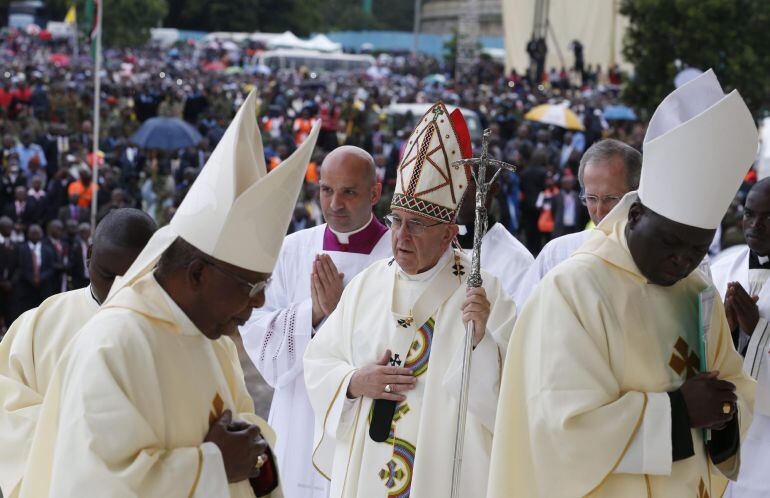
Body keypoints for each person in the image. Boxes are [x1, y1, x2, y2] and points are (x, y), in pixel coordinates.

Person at [18, 91, 319, 497]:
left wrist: (255, 455)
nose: (260, 303)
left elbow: (248, 439)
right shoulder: (112, 346)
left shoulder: (212, 342)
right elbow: (93, 484)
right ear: (197, 273)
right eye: (251, 288)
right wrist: (214, 465)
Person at [488, 69, 757, 497]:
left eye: (696, 249)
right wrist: (678, 412)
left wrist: (725, 409)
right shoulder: (573, 290)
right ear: (634, 216)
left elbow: (737, 385)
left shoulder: (696, 290)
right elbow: (561, 427)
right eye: (671, 242)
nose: (681, 260)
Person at [304, 102, 517, 497]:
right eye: (396, 221)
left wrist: (481, 340)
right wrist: (353, 382)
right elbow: (319, 361)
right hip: (369, 463)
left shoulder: (482, 291)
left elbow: (512, 395)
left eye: (417, 225)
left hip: (442, 474)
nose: (400, 237)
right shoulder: (368, 285)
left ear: (449, 231)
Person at [240, 145, 391, 498]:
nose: (335, 204)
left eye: (349, 192)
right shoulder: (292, 250)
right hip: (299, 414)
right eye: (326, 190)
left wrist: (342, 314)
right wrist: (313, 313)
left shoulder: (396, 257)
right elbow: (255, 329)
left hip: (362, 419)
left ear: (375, 192)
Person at [0, 208, 157, 498]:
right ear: (90, 254)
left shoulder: (181, 331)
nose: (118, 291)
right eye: (109, 275)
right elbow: (8, 409)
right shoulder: (39, 324)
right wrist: (87, 446)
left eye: (136, 277)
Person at [515, 139, 641, 303]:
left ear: (636, 195)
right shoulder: (556, 254)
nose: (599, 210)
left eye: (611, 199)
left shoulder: (659, 260)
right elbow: (523, 316)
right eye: (591, 198)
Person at [711, 178, 770, 497]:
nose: (755, 225)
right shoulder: (722, 269)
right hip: (726, 427)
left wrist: (758, 331)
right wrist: (727, 330)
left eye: (768, 217)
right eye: (750, 214)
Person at [455, 169, 533, 301]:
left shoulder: (518, 260)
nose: (458, 187)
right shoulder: (436, 246)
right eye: (455, 178)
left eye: (470, 180)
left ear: (493, 189)